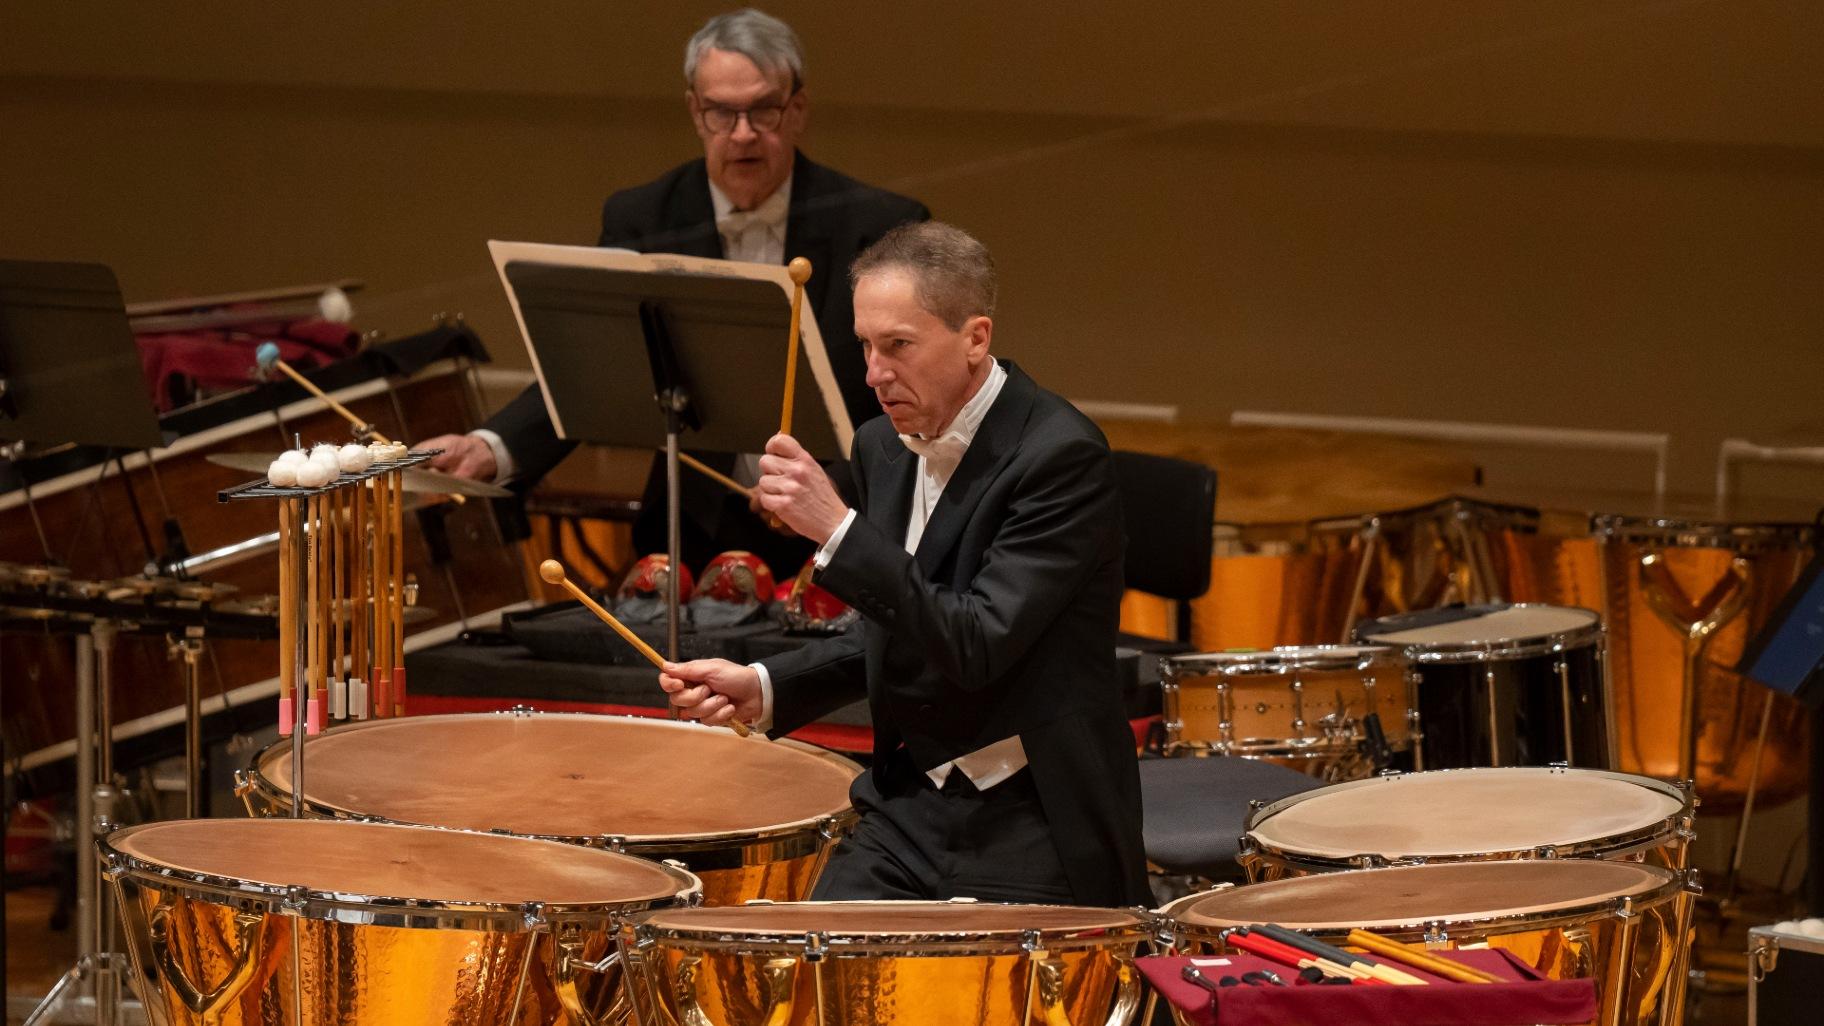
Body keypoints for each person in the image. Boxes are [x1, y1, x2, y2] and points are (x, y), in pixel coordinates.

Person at [659, 222, 1149, 907]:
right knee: (810, 984)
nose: (874, 374)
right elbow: (893, 627)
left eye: (899, 347)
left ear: (976, 337)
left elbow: (975, 642)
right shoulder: (880, 449)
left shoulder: (1060, 458)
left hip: (1033, 817)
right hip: (907, 806)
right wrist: (766, 685)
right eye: (865, 345)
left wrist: (838, 530)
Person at [422, 9, 928, 573]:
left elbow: (914, 394)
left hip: (842, 539)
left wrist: (825, 490)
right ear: (695, 111)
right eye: (721, 112)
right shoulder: (644, 220)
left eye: (763, 109)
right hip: (687, 539)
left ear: (797, 110)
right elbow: (592, 366)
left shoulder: (880, 229)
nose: (742, 133)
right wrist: (490, 447)